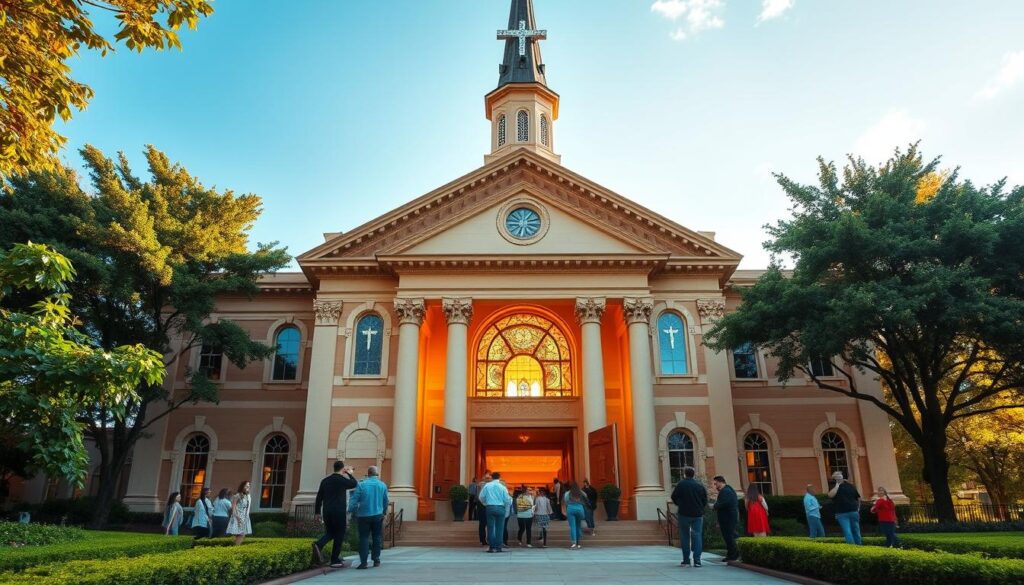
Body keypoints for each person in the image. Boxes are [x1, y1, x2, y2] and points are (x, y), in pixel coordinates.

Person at [312, 461, 359, 569]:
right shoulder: (342, 480)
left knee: (330, 532)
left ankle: (318, 544)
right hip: (338, 511)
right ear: (342, 469)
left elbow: (319, 498)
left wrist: (317, 513)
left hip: (327, 511)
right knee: (339, 534)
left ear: (334, 468)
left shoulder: (325, 481)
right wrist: (349, 473)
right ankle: (334, 559)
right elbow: (354, 483)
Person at [349, 465, 389, 569]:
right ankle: (376, 560)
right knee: (377, 537)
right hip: (377, 515)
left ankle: (363, 562)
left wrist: (351, 510)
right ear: (376, 474)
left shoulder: (362, 485)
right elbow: (385, 501)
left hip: (363, 516)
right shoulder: (382, 485)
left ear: (368, 474)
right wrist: (384, 512)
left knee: (364, 538)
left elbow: (354, 500)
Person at [670, 466, 707, 567]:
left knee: (685, 536)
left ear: (684, 474)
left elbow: (673, 497)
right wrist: (700, 507)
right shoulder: (699, 485)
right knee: (697, 536)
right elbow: (704, 500)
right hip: (697, 515)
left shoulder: (681, 485)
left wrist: (679, 504)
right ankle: (697, 561)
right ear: (693, 474)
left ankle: (686, 560)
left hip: (684, 514)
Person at [479, 471, 512, 552]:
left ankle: (491, 547)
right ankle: (498, 547)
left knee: (490, 528)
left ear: (491, 477)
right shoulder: (502, 487)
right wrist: (508, 504)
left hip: (490, 507)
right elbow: (507, 499)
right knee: (500, 528)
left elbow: (481, 497)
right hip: (500, 508)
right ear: (499, 477)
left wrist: (486, 503)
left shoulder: (487, 485)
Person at [828, 471, 862, 545]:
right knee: (847, 531)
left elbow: (858, 498)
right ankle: (852, 548)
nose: (838, 476)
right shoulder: (833, 487)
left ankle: (859, 547)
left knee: (856, 530)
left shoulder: (850, 486)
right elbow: (830, 495)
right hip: (841, 513)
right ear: (834, 478)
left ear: (842, 476)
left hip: (853, 512)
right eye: (836, 475)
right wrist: (837, 486)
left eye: (839, 475)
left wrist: (858, 508)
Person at [711, 476, 739, 563]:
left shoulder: (726, 491)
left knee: (729, 536)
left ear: (720, 482)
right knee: (730, 536)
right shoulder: (727, 490)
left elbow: (724, 503)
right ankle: (732, 554)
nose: (715, 486)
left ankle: (733, 555)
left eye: (716, 484)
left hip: (728, 518)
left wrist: (714, 506)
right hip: (727, 517)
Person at [226, 480, 252, 545]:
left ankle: (235, 547)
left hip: (245, 517)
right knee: (240, 534)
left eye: (249, 486)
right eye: (246, 486)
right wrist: (237, 517)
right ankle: (235, 548)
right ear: (242, 486)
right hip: (238, 517)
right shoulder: (237, 495)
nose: (248, 487)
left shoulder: (247, 496)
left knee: (241, 534)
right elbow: (233, 508)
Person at [563, 481, 588, 549]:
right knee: (578, 526)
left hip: (571, 509)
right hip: (580, 509)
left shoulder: (567, 493)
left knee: (573, 527)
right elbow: (586, 496)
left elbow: (566, 500)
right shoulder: (580, 492)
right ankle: (579, 543)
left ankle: (574, 543)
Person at [477, 474, 491, 546]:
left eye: (489, 478)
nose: (488, 479)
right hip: (483, 505)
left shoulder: (488, 485)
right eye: (487, 478)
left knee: (486, 524)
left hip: (486, 505)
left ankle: (485, 539)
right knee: (483, 524)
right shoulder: (483, 485)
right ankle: (483, 540)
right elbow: (481, 496)